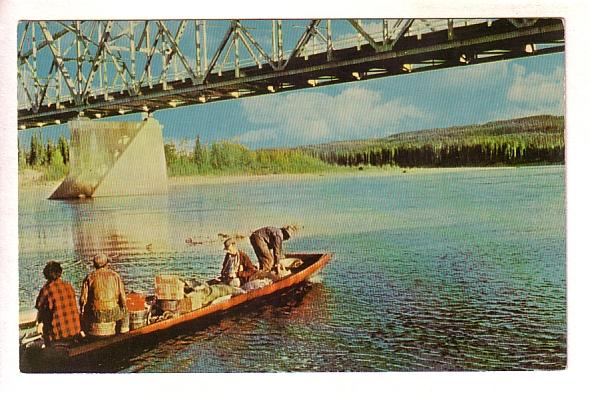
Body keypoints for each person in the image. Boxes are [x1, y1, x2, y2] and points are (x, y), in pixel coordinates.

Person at [35, 261, 82, 346]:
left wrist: (40, 321)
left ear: (46, 275)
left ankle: (48, 345)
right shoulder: (69, 286)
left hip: (59, 335)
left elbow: (39, 306)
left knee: (43, 315)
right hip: (75, 331)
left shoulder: (46, 289)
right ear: (60, 272)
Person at [79, 254, 127, 334]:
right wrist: (123, 307)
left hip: (95, 315)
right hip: (113, 313)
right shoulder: (115, 276)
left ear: (94, 265)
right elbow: (123, 299)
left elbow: (82, 300)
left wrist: (82, 312)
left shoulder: (89, 277)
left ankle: (85, 332)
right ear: (107, 264)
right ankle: (124, 330)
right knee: (126, 311)